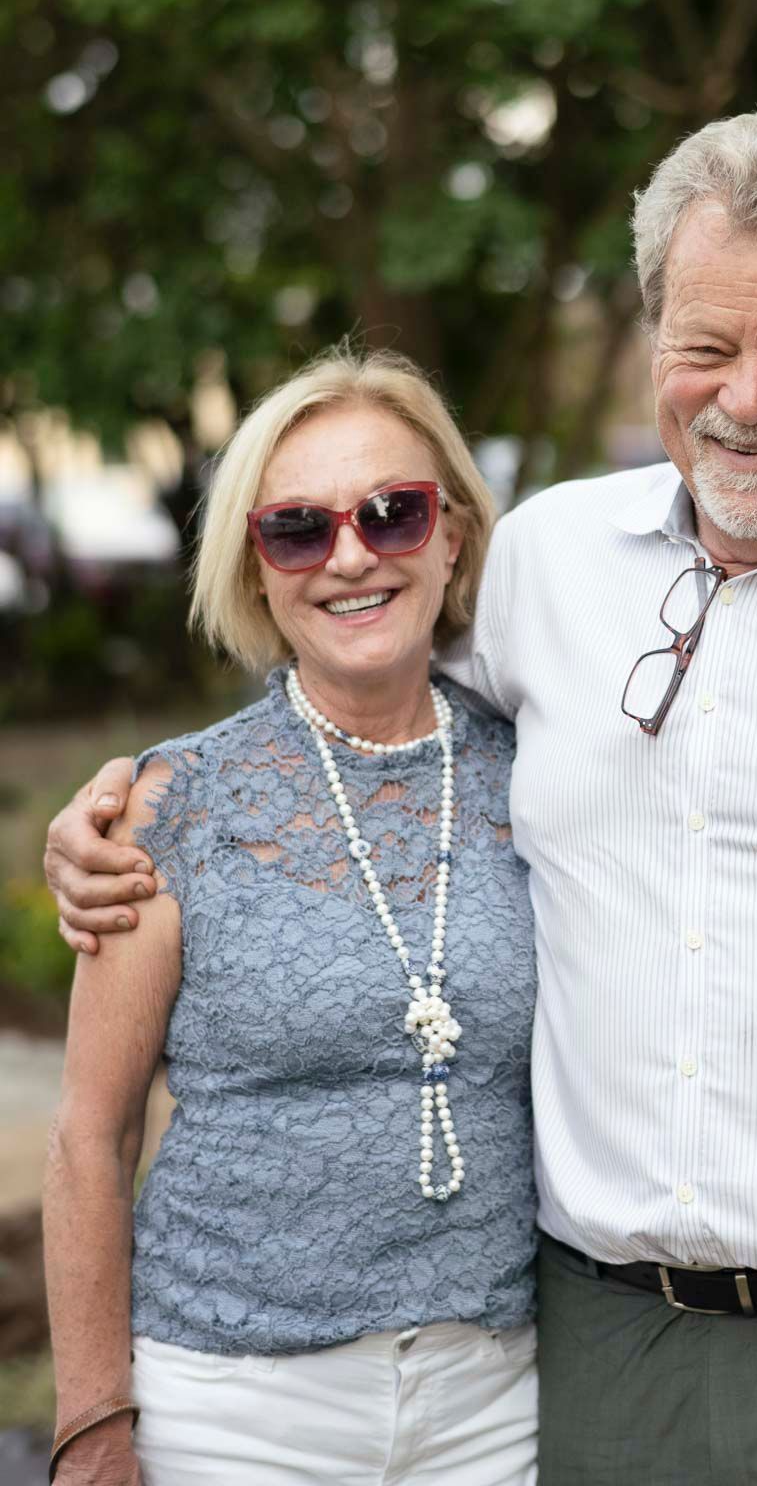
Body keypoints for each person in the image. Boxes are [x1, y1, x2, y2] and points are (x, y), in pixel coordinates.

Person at [47, 112, 757, 1486]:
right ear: (654, 341)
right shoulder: (548, 566)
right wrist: (133, 801)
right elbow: (359, 679)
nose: (745, 399)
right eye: (705, 346)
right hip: (598, 1361)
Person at [42, 350, 539, 1485]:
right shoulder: (170, 805)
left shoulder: (542, 774)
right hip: (230, 1413)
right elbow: (90, 1136)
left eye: (392, 512)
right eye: (298, 530)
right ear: (256, 571)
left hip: (497, 1404)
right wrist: (91, 1424)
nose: (351, 556)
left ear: (454, 536)